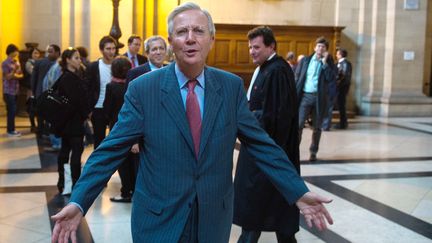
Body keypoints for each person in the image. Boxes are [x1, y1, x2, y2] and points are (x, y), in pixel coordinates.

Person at [51, 3, 333, 243]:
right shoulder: (143, 89)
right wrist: (79, 201)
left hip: (213, 220)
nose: (190, 38)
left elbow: (263, 146)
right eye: (182, 32)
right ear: (171, 41)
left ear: (211, 39)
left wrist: (298, 191)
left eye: (198, 31)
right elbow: (110, 150)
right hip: (158, 221)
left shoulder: (230, 87)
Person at [234, 26, 300, 243]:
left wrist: (245, 118)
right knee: (264, 213)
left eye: (256, 47)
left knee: (258, 212)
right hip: (260, 151)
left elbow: (278, 116)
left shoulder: (278, 71)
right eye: (250, 47)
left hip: (267, 153)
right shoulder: (265, 67)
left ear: (271, 46)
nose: (252, 51)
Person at [55, 48, 91, 194]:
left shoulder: (67, 76)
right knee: (76, 151)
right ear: (68, 60)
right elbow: (77, 101)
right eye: (76, 58)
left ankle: (63, 182)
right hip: (73, 121)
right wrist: (86, 114)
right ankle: (73, 183)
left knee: (66, 150)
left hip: (67, 121)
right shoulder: (69, 78)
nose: (79, 60)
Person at [295, 36, 336, 161]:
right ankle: (293, 151)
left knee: (317, 127)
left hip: (319, 98)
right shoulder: (305, 61)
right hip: (305, 97)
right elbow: (297, 77)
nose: (320, 48)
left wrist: (324, 64)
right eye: (318, 46)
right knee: (299, 125)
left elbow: (330, 79)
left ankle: (313, 151)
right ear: (314, 47)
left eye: (323, 47)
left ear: (326, 50)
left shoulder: (329, 64)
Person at [102, 56, 137, 202]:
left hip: (117, 127)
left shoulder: (111, 86)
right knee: (134, 161)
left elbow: (107, 109)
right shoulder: (133, 85)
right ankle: (135, 190)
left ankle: (125, 191)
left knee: (122, 161)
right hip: (133, 127)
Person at [86, 36, 117, 150]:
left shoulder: (118, 64)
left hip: (114, 108)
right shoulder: (93, 66)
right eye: (108, 49)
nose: (111, 52)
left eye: (113, 48)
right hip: (98, 108)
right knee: (98, 140)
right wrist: (89, 110)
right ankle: (98, 166)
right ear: (101, 50)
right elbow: (87, 88)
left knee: (114, 140)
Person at [31, 44, 61, 135]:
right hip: (43, 93)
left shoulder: (60, 64)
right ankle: (43, 131)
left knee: (47, 115)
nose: (49, 54)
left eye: (51, 52)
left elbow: (33, 79)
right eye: (48, 52)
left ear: (57, 52)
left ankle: (44, 132)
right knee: (42, 114)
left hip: (50, 94)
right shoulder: (41, 63)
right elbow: (34, 78)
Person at [2, 44, 23, 137]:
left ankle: (11, 129)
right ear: (12, 51)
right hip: (8, 90)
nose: (17, 53)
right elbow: (7, 77)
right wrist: (14, 72)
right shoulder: (5, 63)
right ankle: (11, 131)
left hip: (15, 90)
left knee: (13, 110)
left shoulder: (16, 62)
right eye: (16, 51)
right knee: (12, 110)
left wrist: (16, 74)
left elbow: (21, 75)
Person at [334, 47, 352, 129]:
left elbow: (344, 76)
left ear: (340, 55)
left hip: (342, 88)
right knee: (340, 105)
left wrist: (337, 84)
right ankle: (342, 122)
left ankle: (343, 124)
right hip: (341, 88)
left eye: (337, 54)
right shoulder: (341, 63)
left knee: (342, 106)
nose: (336, 55)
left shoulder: (345, 63)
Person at [24, 47, 41, 132]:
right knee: (31, 107)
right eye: (34, 53)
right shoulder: (28, 63)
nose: (36, 55)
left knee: (38, 108)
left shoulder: (39, 63)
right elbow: (32, 72)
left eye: (37, 53)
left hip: (38, 88)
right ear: (31, 54)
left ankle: (39, 125)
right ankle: (33, 126)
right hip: (31, 89)